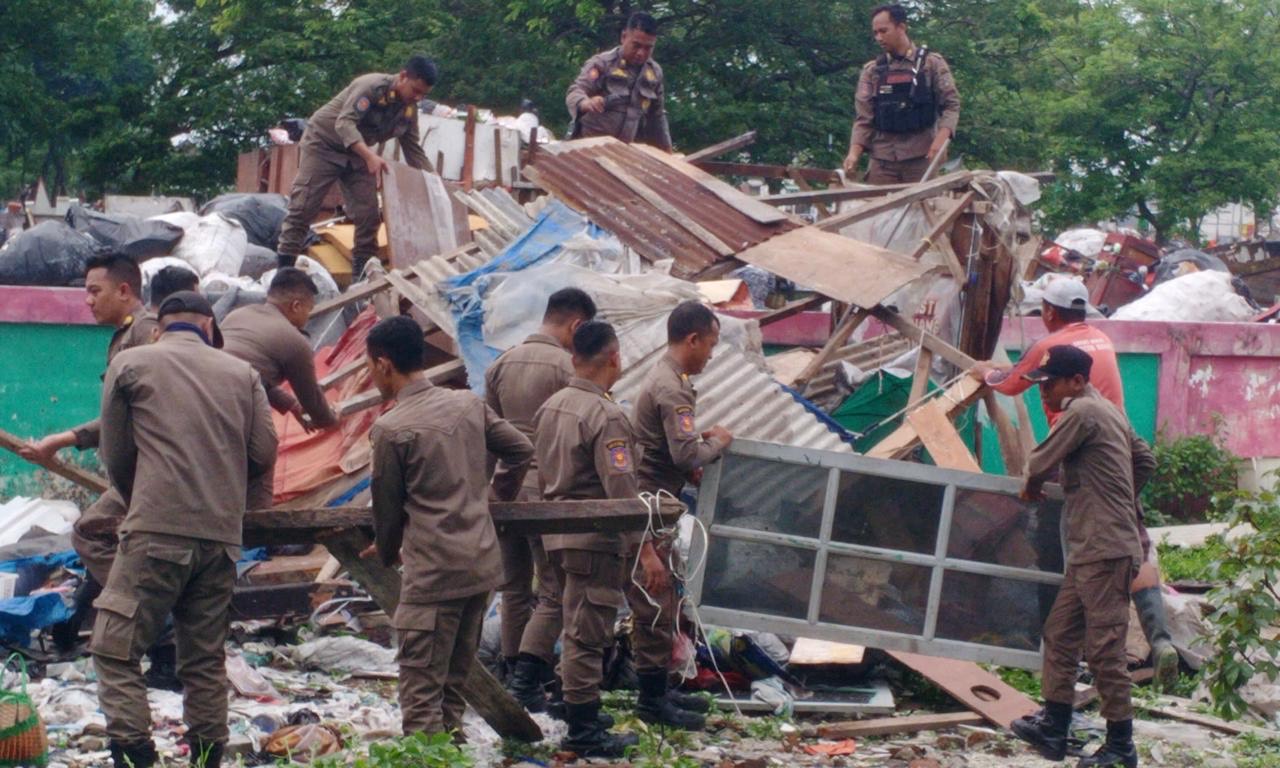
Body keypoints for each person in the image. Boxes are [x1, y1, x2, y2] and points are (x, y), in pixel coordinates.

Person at [92, 291, 276, 768]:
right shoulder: (243, 373)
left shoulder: (131, 363)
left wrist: (143, 499)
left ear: (158, 328)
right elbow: (262, 454)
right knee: (204, 660)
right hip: (221, 538)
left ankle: (135, 755)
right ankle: (206, 758)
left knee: (115, 649)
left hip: (155, 528)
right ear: (210, 328)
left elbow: (115, 453)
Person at [969, 277, 1178, 689]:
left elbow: (1012, 382)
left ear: (1048, 311)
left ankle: (1058, 647)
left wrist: (985, 372)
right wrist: (1124, 492)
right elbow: (1145, 459)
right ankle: (1161, 639)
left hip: (1081, 454)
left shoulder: (1054, 349)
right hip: (1120, 450)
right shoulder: (1101, 339)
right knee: (1134, 540)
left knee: (1057, 542)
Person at [365, 316, 533, 738]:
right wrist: (494, 498)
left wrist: (386, 552)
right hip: (479, 567)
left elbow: (386, 513)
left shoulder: (391, 429)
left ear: (384, 364)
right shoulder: (466, 404)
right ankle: (451, 752)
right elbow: (521, 449)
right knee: (453, 685)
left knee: (421, 690)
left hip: (434, 574)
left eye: (370, 366)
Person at [1013, 345, 1153, 768]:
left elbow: (1037, 462)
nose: (1044, 392)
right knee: (1059, 633)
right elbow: (1145, 459)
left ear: (1076, 381)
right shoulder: (1109, 411)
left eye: (1050, 383)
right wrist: (1117, 497)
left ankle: (1120, 747)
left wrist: (1032, 483)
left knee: (1105, 649)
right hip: (1090, 549)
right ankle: (1054, 726)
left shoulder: (1082, 412)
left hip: (1105, 550)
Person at [532, 321, 649, 757]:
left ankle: (578, 707)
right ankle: (583, 730)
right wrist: (644, 548)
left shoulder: (551, 408)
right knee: (588, 632)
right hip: (594, 539)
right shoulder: (606, 415)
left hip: (556, 535)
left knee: (573, 621)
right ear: (614, 358)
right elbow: (621, 492)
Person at [485, 288, 598, 706]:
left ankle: (512, 674)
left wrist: (489, 494)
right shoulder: (567, 369)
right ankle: (530, 682)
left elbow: (489, 437)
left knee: (513, 589)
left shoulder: (500, 363)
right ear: (578, 326)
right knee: (553, 590)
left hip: (502, 492)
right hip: (547, 492)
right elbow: (572, 434)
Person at [628, 301, 733, 729]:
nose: (711, 353)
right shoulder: (672, 387)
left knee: (664, 603)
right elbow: (684, 451)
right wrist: (720, 441)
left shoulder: (673, 379)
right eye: (710, 344)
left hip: (658, 505)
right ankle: (652, 704)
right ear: (692, 339)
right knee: (653, 604)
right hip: (648, 510)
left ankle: (661, 692)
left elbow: (677, 453)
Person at [276, 55, 438, 273]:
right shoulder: (371, 87)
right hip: (324, 144)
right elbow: (344, 124)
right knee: (303, 207)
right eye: (415, 90)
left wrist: (434, 180)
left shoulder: (408, 110)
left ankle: (361, 278)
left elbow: (413, 150)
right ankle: (284, 273)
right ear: (403, 77)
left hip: (356, 154)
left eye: (423, 95)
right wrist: (370, 157)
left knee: (369, 215)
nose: (418, 98)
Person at [221, 268, 339, 508]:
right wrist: (331, 420)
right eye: (309, 308)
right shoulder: (294, 341)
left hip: (200, 394)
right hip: (234, 405)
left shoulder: (237, 316)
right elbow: (313, 402)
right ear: (296, 305)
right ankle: (262, 536)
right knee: (262, 457)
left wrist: (291, 406)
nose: (309, 316)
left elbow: (250, 373)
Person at [843, 3, 960, 184]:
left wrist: (940, 142)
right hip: (882, 160)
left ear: (901, 27)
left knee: (925, 210)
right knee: (874, 209)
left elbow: (951, 105)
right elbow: (863, 118)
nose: (879, 38)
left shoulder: (932, 64)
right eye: (875, 33)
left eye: (884, 31)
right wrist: (853, 153)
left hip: (922, 158)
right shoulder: (872, 71)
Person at [566, 12, 672, 151]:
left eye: (648, 48)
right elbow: (575, 91)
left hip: (623, 152)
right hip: (588, 147)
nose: (641, 53)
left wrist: (666, 152)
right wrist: (586, 103)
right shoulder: (602, 64)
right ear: (624, 37)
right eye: (636, 45)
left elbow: (656, 117)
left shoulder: (654, 73)